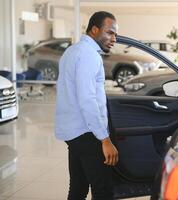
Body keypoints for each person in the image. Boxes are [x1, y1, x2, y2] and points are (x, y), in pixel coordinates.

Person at [55, 11, 119, 200]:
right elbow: (87, 99)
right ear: (94, 29)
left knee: (78, 188)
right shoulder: (89, 55)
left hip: (73, 132)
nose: (114, 39)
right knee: (103, 191)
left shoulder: (72, 51)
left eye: (115, 34)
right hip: (87, 133)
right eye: (110, 33)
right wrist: (105, 139)